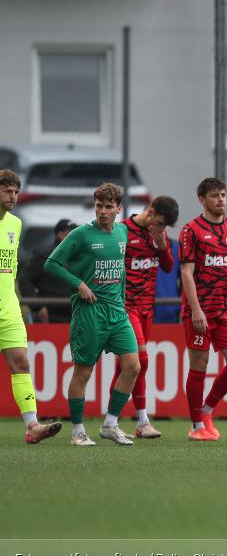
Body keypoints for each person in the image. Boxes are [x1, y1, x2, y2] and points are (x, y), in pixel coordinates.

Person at [45, 183, 141, 446]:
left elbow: (119, 270)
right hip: (90, 313)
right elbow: (51, 264)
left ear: (118, 209)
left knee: (133, 366)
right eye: (99, 206)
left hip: (117, 312)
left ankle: (110, 424)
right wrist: (79, 284)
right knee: (84, 372)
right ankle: (77, 432)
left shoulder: (122, 232)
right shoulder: (81, 235)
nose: (103, 211)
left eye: (109, 207)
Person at [180, 178, 227, 441]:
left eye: (223, 195)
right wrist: (195, 309)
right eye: (214, 196)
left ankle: (207, 410)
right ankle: (197, 425)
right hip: (199, 313)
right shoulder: (192, 230)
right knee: (199, 366)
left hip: (225, 312)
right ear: (202, 200)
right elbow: (186, 272)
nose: (220, 199)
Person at [108, 196, 179, 438]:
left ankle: (111, 422)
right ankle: (142, 421)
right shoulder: (122, 231)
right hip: (126, 307)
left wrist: (161, 246)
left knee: (126, 367)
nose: (161, 229)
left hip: (148, 308)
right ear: (150, 211)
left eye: (164, 226)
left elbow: (169, 267)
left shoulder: (158, 236)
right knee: (142, 360)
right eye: (159, 223)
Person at [0, 170, 62, 444]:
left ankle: (32, 425)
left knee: (22, 363)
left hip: (8, 306)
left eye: (15, 191)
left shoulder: (15, 224)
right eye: (7, 191)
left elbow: (10, 270)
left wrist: (17, 302)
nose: (13, 196)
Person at [19, 218, 77, 324]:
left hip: (76, 317)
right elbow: (24, 280)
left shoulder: (81, 255)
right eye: (71, 232)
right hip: (49, 318)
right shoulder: (43, 254)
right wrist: (37, 307)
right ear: (60, 234)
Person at [154, 240, 181, 324]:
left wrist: (185, 309)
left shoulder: (176, 248)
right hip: (141, 313)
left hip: (172, 313)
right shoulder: (133, 245)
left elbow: (187, 281)